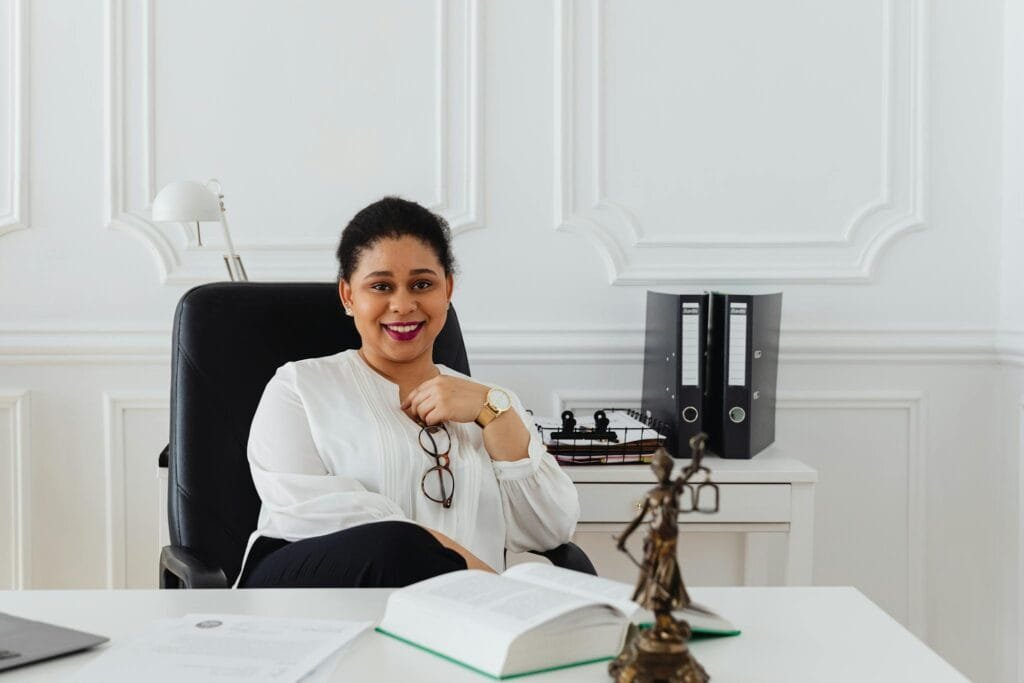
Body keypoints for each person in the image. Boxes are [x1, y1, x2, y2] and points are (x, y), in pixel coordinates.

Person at [236, 197, 580, 588]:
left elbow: (552, 531)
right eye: (381, 286)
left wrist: (493, 413)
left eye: (422, 284)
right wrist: (485, 581)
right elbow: (319, 516)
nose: (402, 304)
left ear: (447, 290)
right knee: (396, 543)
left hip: (451, 617)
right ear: (348, 296)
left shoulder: (490, 403)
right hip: (312, 598)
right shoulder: (298, 387)